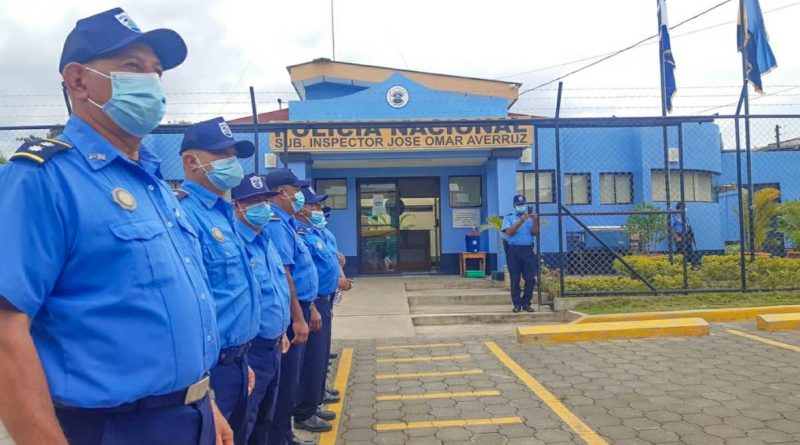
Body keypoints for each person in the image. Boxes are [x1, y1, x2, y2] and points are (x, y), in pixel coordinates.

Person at [0, 8, 231, 445]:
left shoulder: (154, 185)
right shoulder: (42, 178)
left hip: (191, 417)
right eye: (132, 67)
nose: (152, 82)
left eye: (157, 71)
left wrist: (206, 402)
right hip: (112, 428)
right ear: (77, 80)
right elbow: (5, 332)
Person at [177, 117, 262, 444]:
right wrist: (202, 384)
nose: (232, 163)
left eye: (233, 155)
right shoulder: (183, 214)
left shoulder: (224, 214)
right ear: (190, 161)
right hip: (209, 372)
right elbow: (187, 308)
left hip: (238, 363)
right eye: (221, 155)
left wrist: (242, 362)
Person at [230, 174, 294, 445]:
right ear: (237, 206)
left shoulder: (265, 239)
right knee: (246, 421)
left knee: (265, 420)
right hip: (250, 350)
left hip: (273, 346)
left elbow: (275, 290)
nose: (262, 207)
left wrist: (281, 330)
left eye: (265, 200)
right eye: (253, 201)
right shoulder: (235, 244)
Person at [263, 169, 316, 445]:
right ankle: (281, 436)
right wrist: (297, 315)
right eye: (296, 190)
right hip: (291, 312)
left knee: (291, 378)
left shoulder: (287, 224)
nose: (299, 196)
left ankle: (284, 434)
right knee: (286, 382)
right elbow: (286, 275)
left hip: (303, 307)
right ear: (282, 193)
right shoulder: (275, 224)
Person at [292, 187, 348, 434]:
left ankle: (313, 400)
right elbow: (299, 275)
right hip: (312, 303)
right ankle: (306, 411)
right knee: (312, 360)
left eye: (319, 206)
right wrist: (313, 305)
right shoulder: (300, 233)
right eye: (314, 206)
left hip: (323, 299)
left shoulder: (315, 233)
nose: (318, 210)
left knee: (319, 356)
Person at [502, 195, 540, 313]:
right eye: (518, 205)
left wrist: (535, 220)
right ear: (514, 206)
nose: (521, 207)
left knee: (530, 278)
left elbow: (535, 233)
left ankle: (526, 303)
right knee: (515, 279)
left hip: (527, 250)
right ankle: (517, 304)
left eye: (523, 204)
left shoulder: (530, 218)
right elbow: (509, 231)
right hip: (513, 251)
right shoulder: (509, 218)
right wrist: (521, 220)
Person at [671, 201, 700, 269]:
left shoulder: (684, 216)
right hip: (680, 235)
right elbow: (670, 228)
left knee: (690, 251)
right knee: (681, 251)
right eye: (684, 206)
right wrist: (677, 237)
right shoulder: (673, 216)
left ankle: (693, 266)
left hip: (687, 235)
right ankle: (681, 267)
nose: (685, 208)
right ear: (680, 207)